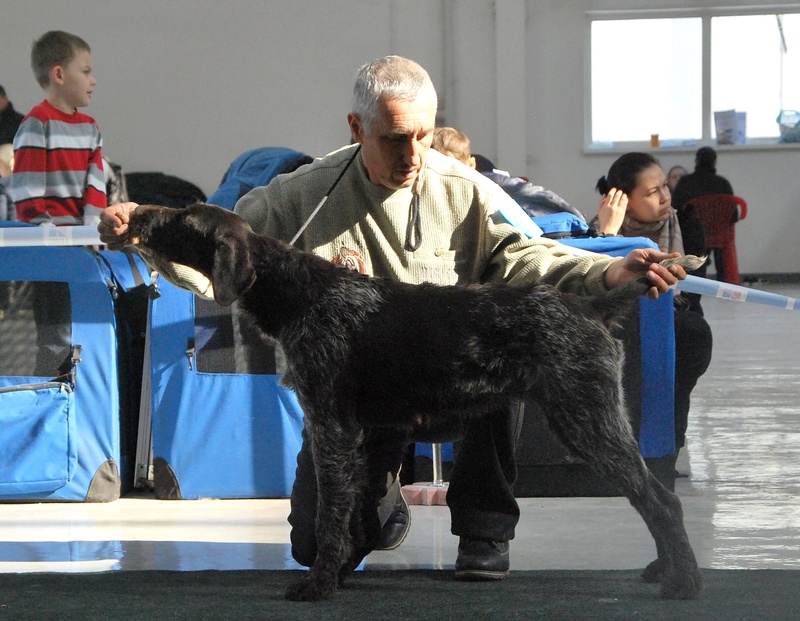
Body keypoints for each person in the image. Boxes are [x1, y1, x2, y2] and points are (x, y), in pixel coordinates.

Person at [98, 56, 688, 581]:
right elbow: (219, 254)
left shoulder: (466, 187)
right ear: (356, 128)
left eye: (425, 137)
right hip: (376, 388)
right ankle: (379, 507)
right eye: (396, 139)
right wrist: (144, 235)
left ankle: (484, 533)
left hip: (453, 368)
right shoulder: (297, 194)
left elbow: (525, 254)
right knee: (312, 542)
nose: (413, 156)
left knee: (515, 386)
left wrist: (608, 275)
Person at [592, 152, 713, 468]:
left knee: (690, 337)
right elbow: (594, 290)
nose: (664, 197)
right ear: (624, 201)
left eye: (664, 187)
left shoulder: (685, 224)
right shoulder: (596, 231)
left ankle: (668, 449)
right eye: (651, 192)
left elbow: (691, 293)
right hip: (620, 323)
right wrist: (607, 236)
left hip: (672, 322)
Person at [9, 31, 106, 227]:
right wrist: (43, 229)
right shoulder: (38, 122)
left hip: (82, 236)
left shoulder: (90, 127)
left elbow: (96, 186)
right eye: (86, 71)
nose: (93, 80)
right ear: (59, 75)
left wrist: (94, 226)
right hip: (47, 237)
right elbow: (27, 186)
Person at [431, 126, 586, 221]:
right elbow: (539, 196)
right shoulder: (496, 184)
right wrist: (577, 217)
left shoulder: (424, 190)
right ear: (472, 163)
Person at [671, 146, 735, 280]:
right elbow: (733, 215)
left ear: (696, 161)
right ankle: (723, 282)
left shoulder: (685, 182)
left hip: (691, 235)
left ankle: (691, 281)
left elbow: (675, 209)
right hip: (719, 235)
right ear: (715, 162)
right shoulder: (723, 184)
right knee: (719, 243)